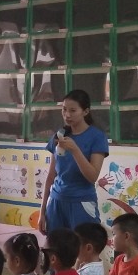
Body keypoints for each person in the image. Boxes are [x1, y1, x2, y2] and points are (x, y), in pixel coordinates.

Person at [38, 90, 109, 232]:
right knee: (55, 245)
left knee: (84, 244)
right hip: (56, 201)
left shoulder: (97, 137)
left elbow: (92, 176)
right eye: (64, 109)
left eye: (73, 110)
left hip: (82, 202)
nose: (67, 115)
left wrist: (75, 150)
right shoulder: (59, 135)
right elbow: (51, 176)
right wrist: (42, 211)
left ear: (85, 111)